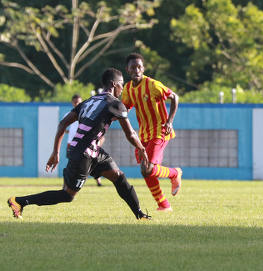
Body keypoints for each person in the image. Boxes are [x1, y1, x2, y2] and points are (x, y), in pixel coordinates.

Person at [7, 68, 151, 220]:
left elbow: (63, 123)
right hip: (82, 153)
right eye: (121, 85)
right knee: (67, 195)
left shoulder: (88, 102)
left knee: (118, 176)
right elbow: (130, 133)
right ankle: (19, 202)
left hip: (94, 151)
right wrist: (141, 148)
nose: (122, 89)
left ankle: (140, 215)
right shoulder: (115, 103)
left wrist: (55, 152)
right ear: (114, 84)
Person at [123, 53, 182, 211]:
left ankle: (175, 173)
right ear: (127, 69)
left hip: (160, 131)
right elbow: (124, 108)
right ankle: (163, 205)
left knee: (147, 167)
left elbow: (174, 97)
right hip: (143, 135)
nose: (137, 70)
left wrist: (169, 121)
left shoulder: (153, 85)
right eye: (133, 67)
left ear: (143, 68)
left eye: (139, 67)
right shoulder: (128, 89)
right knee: (145, 170)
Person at [65, 94, 103, 186]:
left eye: (79, 102)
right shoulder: (69, 114)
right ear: (72, 102)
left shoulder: (87, 113)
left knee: (92, 162)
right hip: (72, 143)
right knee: (71, 163)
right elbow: (64, 128)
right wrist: (71, 133)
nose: (77, 103)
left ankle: (98, 181)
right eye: (75, 102)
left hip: (84, 143)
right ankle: (67, 183)